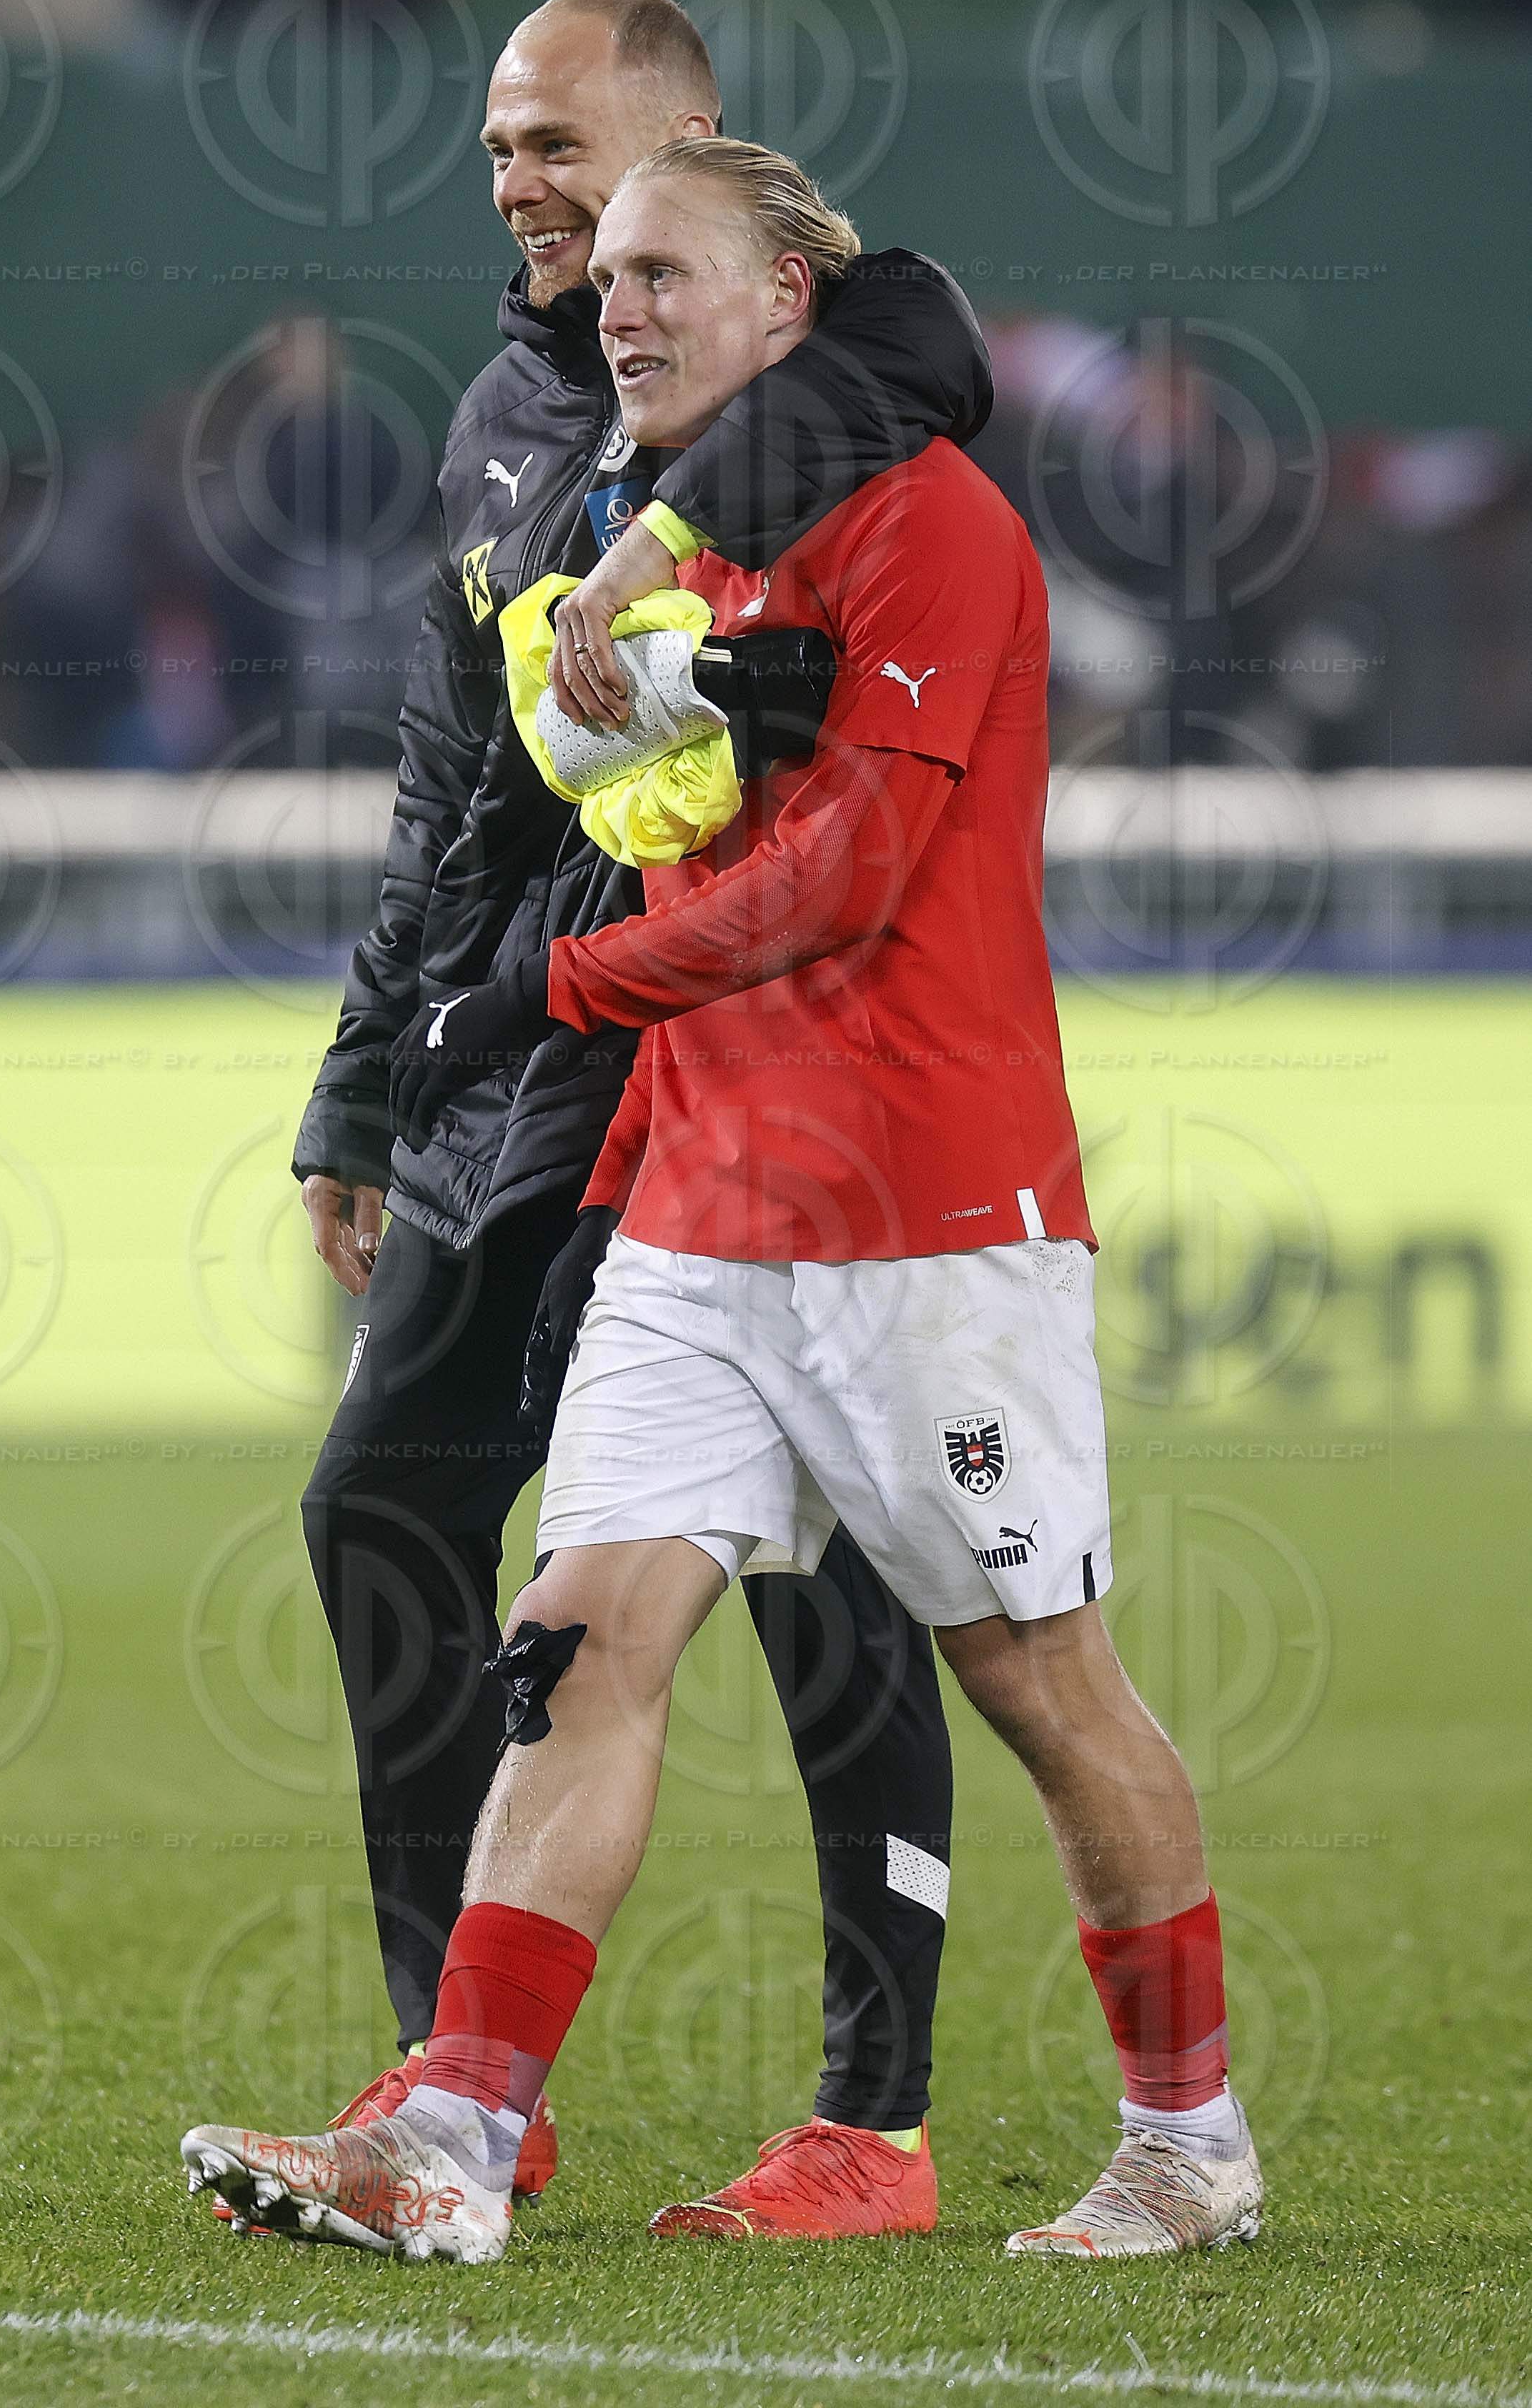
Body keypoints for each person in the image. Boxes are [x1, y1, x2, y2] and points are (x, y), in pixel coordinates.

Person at [188, 135, 1263, 2267]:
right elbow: (633, 786)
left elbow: (850, 876)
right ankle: (463, 2133)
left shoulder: (941, 531)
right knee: (573, 1646)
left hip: (930, 1225)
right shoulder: (638, 538)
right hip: (701, 1205)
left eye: (672, 276)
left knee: (1045, 1684)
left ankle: (1188, 2140)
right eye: (616, 288)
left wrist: (545, 990)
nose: (625, 308)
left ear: (794, 305)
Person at [273, 0, 990, 2241]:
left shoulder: (842, 341)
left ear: (692, 145)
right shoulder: (504, 407)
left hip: (761, 1031)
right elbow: (452, 770)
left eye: (563, 146)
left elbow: (928, 366)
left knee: (817, 1578)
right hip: (531, 1041)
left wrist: (652, 546)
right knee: (382, 1504)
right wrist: (366, 1080)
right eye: (500, 146)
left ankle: (872, 2115)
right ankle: (454, 2072)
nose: (521, 186)